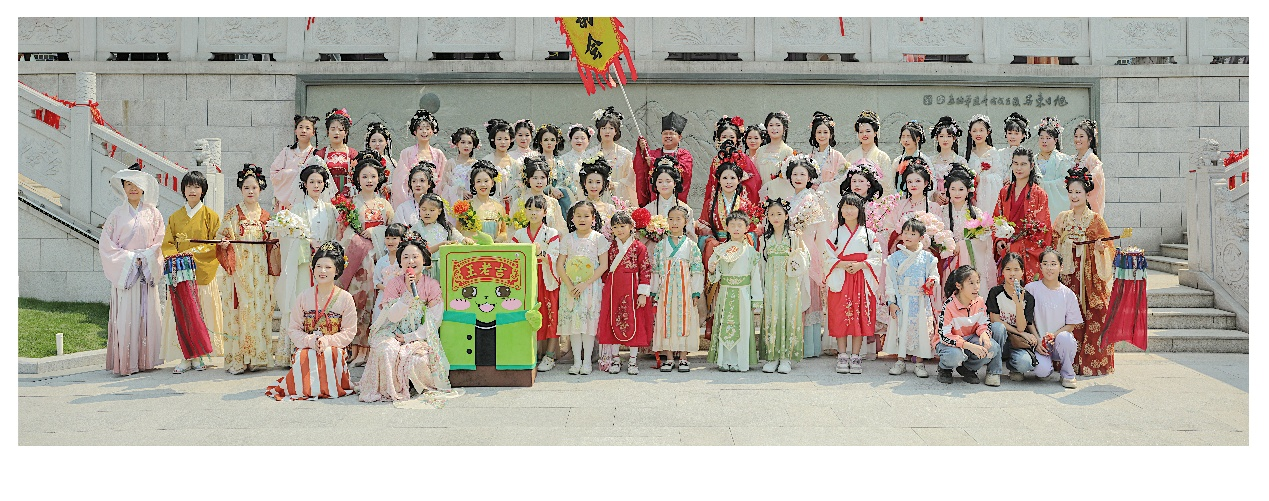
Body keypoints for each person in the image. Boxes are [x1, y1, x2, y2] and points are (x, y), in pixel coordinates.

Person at [358, 235, 456, 402]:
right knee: (386, 350)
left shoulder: (431, 285)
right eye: (405, 257)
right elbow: (392, 316)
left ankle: (412, 386)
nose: (410, 261)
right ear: (400, 262)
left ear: (424, 260)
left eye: (415, 256)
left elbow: (434, 319)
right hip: (391, 330)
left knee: (420, 360)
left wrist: (411, 337)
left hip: (417, 335)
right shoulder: (393, 284)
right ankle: (391, 389)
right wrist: (407, 295)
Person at [265, 241, 358, 400]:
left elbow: (349, 331)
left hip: (334, 346)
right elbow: (294, 328)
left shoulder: (345, 298)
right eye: (318, 266)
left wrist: (327, 341)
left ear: (337, 270)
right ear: (313, 269)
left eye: (328, 267)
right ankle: (307, 389)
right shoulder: (304, 296)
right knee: (304, 355)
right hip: (308, 344)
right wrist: (310, 341)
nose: (322, 271)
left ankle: (328, 388)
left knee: (330, 353)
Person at [99, 166, 165, 376]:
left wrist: (146, 257)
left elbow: (159, 241)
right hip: (126, 271)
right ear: (123, 188)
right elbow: (106, 245)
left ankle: (147, 360)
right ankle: (126, 362)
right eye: (128, 184)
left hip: (146, 270)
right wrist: (129, 259)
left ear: (143, 188)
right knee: (126, 316)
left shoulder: (154, 214)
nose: (133, 188)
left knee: (147, 314)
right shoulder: (116, 215)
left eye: (137, 184)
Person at [1055, 165, 1116, 376]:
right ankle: (1067, 362)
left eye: (1078, 192)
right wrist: (1065, 243)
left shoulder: (1096, 220)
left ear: (1087, 193)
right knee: (1068, 315)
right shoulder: (1062, 218)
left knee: (1096, 312)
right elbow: (1054, 244)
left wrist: (1099, 249)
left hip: (1089, 277)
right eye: (1071, 192)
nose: (1074, 196)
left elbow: (1109, 248)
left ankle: (1093, 364)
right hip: (1068, 276)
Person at [217, 164, 278, 374]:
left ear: (260, 189)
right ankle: (240, 358)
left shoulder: (266, 217)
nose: (250, 191)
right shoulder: (232, 214)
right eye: (246, 188)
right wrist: (224, 244)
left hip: (259, 272)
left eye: (254, 188)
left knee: (258, 309)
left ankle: (257, 357)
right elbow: (222, 237)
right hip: (240, 272)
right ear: (241, 190)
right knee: (240, 311)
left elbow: (271, 246)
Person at [160, 170, 222, 373]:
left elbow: (214, 244)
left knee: (201, 313)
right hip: (181, 274)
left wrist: (191, 255)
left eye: (197, 186)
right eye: (188, 186)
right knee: (182, 315)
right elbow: (167, 244)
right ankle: (185, 356)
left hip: (202, 273)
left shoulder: (211, 216)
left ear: (203, 190)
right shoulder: (175, 217)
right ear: (183, 190)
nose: (192, 190)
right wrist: (179, 258)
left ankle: (200, 355)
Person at [338, 152, 395, 366]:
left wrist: (376, 232)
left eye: (373, 176)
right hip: (358, 261)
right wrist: (359, 240)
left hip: (378, 259)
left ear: (379, 178)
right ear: (357, 179)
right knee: (356, 301)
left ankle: (370, 349)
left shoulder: (385, 205)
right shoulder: (351, 204)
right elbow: (343, 231)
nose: (369, 180)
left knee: (374, 302)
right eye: (364, 176)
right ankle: (353, 348)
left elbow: (392, 231)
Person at [695, 162, 758, 341]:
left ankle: (739, 332)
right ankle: (715, 330)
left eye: (732, 178)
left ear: (739, 180)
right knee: (717, 291)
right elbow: (704, 226)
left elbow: (753, 230)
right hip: (717, 249)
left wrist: (740, 243)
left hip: (739, 251)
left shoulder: (745, 204)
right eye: (725, 178)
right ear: (718, 180)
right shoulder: (710, 203)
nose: (728, 181)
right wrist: (712, 244)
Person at [823, 194, 882, 374]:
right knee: (840, 314)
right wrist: (842, 264)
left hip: (861, 278)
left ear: (860, 210)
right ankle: (842, 354)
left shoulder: (868, 234)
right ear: (840, 210)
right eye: (845, 207)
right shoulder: (835, 234)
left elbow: (877, 257)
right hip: (841, 277)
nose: (848, 211)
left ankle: (856, 355)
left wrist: (861, 265)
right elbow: (826, 257)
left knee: (859, 316)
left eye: (852, 207)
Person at [277, 159, 339, 328]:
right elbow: (289, 236)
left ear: (324, 184)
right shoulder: (297, 209)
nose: (316, 185)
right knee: (303, 296)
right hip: (304, 261)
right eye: (312, 182)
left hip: (325, 261)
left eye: (319, 182)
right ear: (304, 184)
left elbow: (334, 234)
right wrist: (308, 241)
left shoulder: (330, 209)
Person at [785, 155, 832, 358]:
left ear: (809, 177)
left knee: (808, 295)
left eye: (802, 174)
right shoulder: (788, 200)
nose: (798, 178)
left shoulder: (811, 199)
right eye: (795, 174)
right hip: (789, 249)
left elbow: (818, 231)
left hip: (806, 248)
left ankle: (809, 346)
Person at [596, 211, 654, 375]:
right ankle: (616, 359)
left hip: (633, 288)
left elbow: (645, 270)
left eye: (622, 226)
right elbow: (606, 269)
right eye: (615, 227)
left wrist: (643, 293)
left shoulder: (639, 247)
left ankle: (633, 361)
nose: (619, 230)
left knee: (634, 322)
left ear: (631, 226)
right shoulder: (611, 248)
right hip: (613, 288)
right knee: (614, 322)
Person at [510, 195, 563, 372]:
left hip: (546, 277)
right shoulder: (519, 234)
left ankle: (550, 354)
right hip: (526, 278)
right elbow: (513, 257)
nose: (533, 213)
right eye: (530, 209)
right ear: (524, 211)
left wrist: (540, 255)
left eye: (537, 209)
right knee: (528, 313)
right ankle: (530, 351)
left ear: (545, 212)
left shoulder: (552, 233)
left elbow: (554, 256)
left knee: (551, 315)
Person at [706, 211, 764, 372]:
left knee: (742, 327)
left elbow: (755, 276)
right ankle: (725, 361)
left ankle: (740, 361)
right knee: (725, 325)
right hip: (725, 292)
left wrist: (756, 299)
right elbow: (715, 275)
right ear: (727, 228)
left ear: (747, 228)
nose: (736, 229)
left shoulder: (751, 252)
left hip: (743, 293)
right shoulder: (720, 250)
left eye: (740, 225)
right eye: (732, 225)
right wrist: (712, 270)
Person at [558, 200, 610, 375]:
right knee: (574, 325)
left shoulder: (598, 239)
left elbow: (603, 265)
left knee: (588, 325)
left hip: (590, 288)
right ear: (572, 218)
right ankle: (576, 362)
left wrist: (585, 284)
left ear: (593, 218)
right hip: (571, 288)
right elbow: (560, 265)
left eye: (586, 216)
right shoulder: (568, 239)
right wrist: (569, 285)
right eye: (578, 216)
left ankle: (587, 362)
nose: (582, 219)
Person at [883, 218, 940, 378]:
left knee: (921, 329)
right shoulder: (895, 258)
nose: (908, 236)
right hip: (902, 300)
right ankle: (900, 361)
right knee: (901, 329)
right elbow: (890, 281)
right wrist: (891, 302)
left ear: (921, 237)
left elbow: (934, 275)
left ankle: (919, 362)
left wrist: (932, 281)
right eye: (905, 232)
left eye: (912, 234)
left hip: (920, 300)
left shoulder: (928, 258)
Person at [757, 198, 808, 374]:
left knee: (788, 314)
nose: (776, 217)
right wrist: (762, 285)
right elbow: (761, 263)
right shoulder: (764, 238)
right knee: (773, 314)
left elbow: (803, 258)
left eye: (779, 214)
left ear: (786, 216)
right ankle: (772, 356)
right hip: (771, 281)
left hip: (789, 281)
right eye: (772, 214)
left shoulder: (794, 236)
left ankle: (786, 357)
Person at [650, 205, 703, 373]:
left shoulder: (691, 245)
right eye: (671, 219)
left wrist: (695, 292)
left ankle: (683, 357)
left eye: (678, 219)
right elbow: (656, 270)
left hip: (685, 290)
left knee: (684, 320)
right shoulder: (661, 246)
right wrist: (654, 291)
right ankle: (669, 358)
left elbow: (697, 269)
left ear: (685, 221)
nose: (674, 222)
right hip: (665, 290)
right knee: (666, 321)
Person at [935, 265, 1005, 386]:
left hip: (970, 338)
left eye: (977, 282)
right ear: (959, 285)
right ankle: (944, 368)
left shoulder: (979, 301)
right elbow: (944, 336)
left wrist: (984, 334)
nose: (976, 287)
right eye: (971, 283)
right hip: (949, 343)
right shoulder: (949, 306)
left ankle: (968, 368)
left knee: (993, 347)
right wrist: (969, 346)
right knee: (955, 355)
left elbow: (984, 323)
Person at [992, 148, 1054, 283]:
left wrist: (1016, 245)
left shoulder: (1039, 194)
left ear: (1031, 166)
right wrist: (999, 240)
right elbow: (997, 219)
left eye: (1023, 164)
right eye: (1015, 163)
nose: (1018, 168)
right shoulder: (1004, 192)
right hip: (1007, 249)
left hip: (1028, 252)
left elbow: (1042, 228)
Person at [1023, 249, 1082, 389]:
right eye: (1045, 264)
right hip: (1039, 342)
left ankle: (1067, 373)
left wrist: (1053, 336)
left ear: (1061, 267)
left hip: (1059, 341)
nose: (1049, 268)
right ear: (1040, 266)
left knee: (1066, 338)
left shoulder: (1068, 294)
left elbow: (1071, 325)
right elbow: (1028, 319)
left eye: (1053, 264)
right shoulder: (1031, 289)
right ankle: (1047, 367)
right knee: (1042, 372)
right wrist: (1038, 340)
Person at [939, 163, 998, 290]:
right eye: (953, 189)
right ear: (948, 190)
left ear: (968, 190)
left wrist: (962, 245)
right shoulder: (941, 212)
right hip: (948, 262)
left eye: (961, 189)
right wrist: (948, 246)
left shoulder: (976, 213)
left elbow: (984, 242)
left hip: (971, 264)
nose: (957, 193)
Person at [988, 253, 1040, 382]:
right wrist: (1022, 333)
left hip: (1017, 343)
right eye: (1008, 269)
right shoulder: (995, 292)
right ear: (1002, 272)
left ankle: (1014, 367)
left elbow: (1022, 327)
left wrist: (1018, 304)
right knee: (998, 327)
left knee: (1025, 363)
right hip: (1000, 339)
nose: (1012, 273)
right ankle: (993, 371)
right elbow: (995, 320)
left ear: (1022, 272)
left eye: (1016, 269)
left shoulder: (1028, 298)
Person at [881, 157, 945, 255]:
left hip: (925, 254)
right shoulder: (899, 205)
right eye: (909, 182)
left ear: (926, 183)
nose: (913, 185)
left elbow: (940, 234)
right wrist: (905, 237)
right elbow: (888, 229)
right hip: (901, 252)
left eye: (917, 181)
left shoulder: (934, 207)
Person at [634, 111, 693, 206]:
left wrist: (654, 163)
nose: (668, 136)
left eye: (671, 133)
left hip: (676, 203)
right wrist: (642, 151)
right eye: (665, 133)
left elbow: (684, 173)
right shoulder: (654, 154)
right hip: (655, 202)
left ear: (679, 137)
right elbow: (642, 172)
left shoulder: (684, 155)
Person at [410, 193, 467, 282]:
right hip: (423, 267)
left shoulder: (445, 227)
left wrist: (465, 239)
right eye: (424, 209)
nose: (427, 213)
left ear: (439, 211)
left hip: (443, 266)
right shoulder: (414, 229)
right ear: (419, 209)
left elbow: (459, 237)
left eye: (432, 210)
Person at [704, 117, 762, 206]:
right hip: (720, 199)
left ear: (737, 139)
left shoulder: (742, 158)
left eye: (731, 137)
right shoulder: (717, 159)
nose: (728, 140)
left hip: (739, 199)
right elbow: (711, 183)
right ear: (719, 138)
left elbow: (755, 181)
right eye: (724, 137)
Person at [396, 110, 448, 204]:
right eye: (420, 129)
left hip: (433, 201)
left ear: (432, 131)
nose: (424, 132)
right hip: (411, 199)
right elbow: (401, 181)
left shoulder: (438, 154)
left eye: (427, 128)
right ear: (415, 132)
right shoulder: (406, 153)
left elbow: (443, 178)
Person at [270, 114, 319, 211]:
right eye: (300, 127)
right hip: (286, 199)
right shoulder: (286, 151)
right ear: (295, 130)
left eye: (307, 128)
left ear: (313, 132)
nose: (303, 131)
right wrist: (292, 173)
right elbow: (274, 174)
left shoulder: (316, 154)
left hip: (307, 200)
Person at [1033, 117, 1075, 226]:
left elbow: (1065, 182)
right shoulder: (1032, 160)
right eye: (1041, 137)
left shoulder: (1062, 160)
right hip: (1036, 203)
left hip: (1057, 205)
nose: (1044, 141)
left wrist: (1043, 185)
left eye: (1048, 138)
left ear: (1055, 140)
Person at [512, 156, 568, 235]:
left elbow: (561, 228)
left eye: (542, 178)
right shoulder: (519, 203)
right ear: (528, 179)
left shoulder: (553, 203)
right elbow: (511, 229)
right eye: (535, 178)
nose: (539, 182)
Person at [843, 110, 893, 199]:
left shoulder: (882, 157)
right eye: (861, 132)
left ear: (875, 133)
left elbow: (888, 184)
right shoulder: (850, 156)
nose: (864, 134)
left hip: (875, 201)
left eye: (868, 131)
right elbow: (844, 179)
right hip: (854, 200)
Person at [593, 106, 637, 205]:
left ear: (616, 131)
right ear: (599, 131)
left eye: (611, 128)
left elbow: (630, 180)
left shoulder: (625, 154)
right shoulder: (591, 154)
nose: (607, 131)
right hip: (596, 198)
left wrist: (616, 185)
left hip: (619, 199)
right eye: (603, 128)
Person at [965, 114, 1005, 216]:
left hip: (989, 196)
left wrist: (982, 179)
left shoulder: (993, 152)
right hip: (972, 195)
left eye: (981, 130)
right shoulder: (969, 154)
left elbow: (999, 176)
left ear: (988, 132)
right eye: (974, 131)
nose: (978, 134)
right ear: (970, 133)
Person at [643, 159, 696, 236]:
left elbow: (691, 236)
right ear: (655, 184)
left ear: (675, 183)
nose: (664, 185)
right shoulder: (648, 209)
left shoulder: (686, 209)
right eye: (660, 181)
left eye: (668, 181)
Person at [460, 161, 508, 243]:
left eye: (486, 181)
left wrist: (499, 239)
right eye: (478, 181)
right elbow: (459, 232)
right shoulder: (466, 206)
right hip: (473, 249)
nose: (483, 185)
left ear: (492, 183)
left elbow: (504, 232)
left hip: (494, 249)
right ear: (474, 184)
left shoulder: (499, 207)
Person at [314, 108, 358, 197]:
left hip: (348, 195)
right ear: (327, 132)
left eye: (340, 130)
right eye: (333, 129)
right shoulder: (321, 154)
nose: (336, 133)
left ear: (346, 132)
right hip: (326, 195)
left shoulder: (352, 153)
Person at [483, 118, 524, 209]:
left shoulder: (515, 164)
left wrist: (512, 194)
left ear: (511, 140)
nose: (503, 142)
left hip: (509, 205)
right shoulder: (486, 161)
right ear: (493, 140)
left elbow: (519, 184)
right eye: (499, 139)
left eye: (506, 139)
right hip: (490, 204)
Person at [755, 110, 796, 201]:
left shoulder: (788, 151)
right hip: (761, 195)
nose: (774, 128)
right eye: (771, 125)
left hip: (780, 197)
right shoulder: (760, 151)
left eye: (778, 125)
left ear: (784, 128)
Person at [553, 124, 594, 213]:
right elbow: (560, 182)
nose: (579, 141)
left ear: (588, 141)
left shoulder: (594, 158)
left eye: (583, 138)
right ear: (570, 140)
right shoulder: (562, 160)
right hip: (570, 198)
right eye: (576, 138)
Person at [371, 223, 407, 323]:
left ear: (402, 240)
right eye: (387, 238)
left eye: (394, 238)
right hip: (384, 297)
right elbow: (376, 280)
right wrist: (387, 289)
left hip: (401, 297)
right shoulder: (382, 261)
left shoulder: (405, 260)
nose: (390, 241)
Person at [1071, 119, 1107, 216]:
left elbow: (1094, 186)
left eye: (1081, 136)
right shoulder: (1071, 159)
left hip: (1087, 208)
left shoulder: (1093, 160)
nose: (1078, 139)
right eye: (1076, 136)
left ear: (1090, 139)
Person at [576, 156, 618, 238]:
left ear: (603, 184)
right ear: (584, 183)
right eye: (590, 182)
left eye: (598, 182)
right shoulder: (576, 207)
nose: (594, 186)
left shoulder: (610, 208)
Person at [809, 111, 848, 192]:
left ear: (830, 135)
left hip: (831, 194)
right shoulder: (809, 158)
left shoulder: (837, 156)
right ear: (814, 135)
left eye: (825, 132)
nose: (822, 135)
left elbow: (843, 178)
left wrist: (823, 187)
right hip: (811, 195)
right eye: (819, 132)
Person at [927, 116, 962, 205]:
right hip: (934, 202)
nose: (945, 140)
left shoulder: (961, 161)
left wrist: (951, 195)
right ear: (937, 138)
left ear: (954, 138)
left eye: (949, 136)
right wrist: (935, 194)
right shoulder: (930, 161)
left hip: (954, 201)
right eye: (941, 136)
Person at [890, 120, 931, 196]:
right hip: (901, 200)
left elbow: (932, 182)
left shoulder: (925, 160)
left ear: (918, 139)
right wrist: (898, 197)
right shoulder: (897, 161)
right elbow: (891, 183)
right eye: (903, 136)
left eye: (909, 137)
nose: (905, 140)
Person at [391, 161, 437, 228]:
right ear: (410, 184)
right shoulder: (403, 208)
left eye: (422, 181)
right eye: (414, 181)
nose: (418, 184)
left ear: (429, 184)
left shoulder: (436, 205)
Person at [442, 126, 479, 202]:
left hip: (472, 200)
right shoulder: (451, 163)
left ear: (473, 145)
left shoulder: (476, 164)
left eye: (469, 143)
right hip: (454, 201)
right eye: (463, 142)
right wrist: (458, 191)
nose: (466, 146)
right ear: (457, 144)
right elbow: (443, 184)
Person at [364, 121, 398, 201]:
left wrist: (389, 187)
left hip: (386, 198)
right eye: (373, 141)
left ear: (386, 143)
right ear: (369, 143)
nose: (377, 144)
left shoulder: (392, 162)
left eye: (380, 141)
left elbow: (398, 182)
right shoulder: (364, 161)